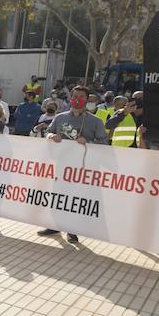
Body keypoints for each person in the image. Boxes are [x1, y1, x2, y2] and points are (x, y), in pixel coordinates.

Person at [38, 86, 107, 243]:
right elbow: (48, 132)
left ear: (87, 99)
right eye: (74, 95)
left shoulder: (96, 121)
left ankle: (72, 230)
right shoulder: (60, 117)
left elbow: (104, 143)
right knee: (58, 196)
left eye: (81, 96)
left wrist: (88, 142)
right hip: (61, 164)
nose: (77, 98)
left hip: (82, 168)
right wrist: (51, 136)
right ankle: (55, 225)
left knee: (75, 198)